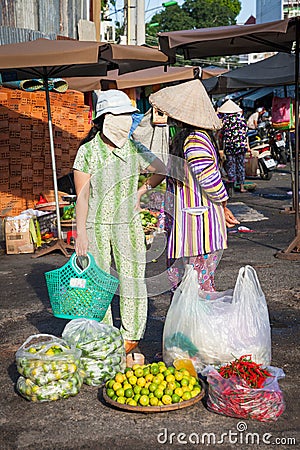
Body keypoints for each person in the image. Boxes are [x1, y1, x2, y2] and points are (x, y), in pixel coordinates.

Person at [73, 90, 166, 354]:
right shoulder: (87, 152)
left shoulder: (134, 147)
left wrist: (140, 192)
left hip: (127, 224)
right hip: (96, 225)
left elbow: (161, 169)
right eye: (121, 116)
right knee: (99, 279)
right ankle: (102, 334)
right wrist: (81, 233)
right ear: (105, 119)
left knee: (132, 279)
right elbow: (82, 197)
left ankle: (131, 335)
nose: (126, 121)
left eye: (129, 116)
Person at [149, 79, 239, 293]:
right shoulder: (197, 140)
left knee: (183, 286)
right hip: (199, 227)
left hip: (185, 224)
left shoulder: (186, 139)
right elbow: (210, 180)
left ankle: (184, 325)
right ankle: (195, 326)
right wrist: (224, 203)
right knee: (199, 286)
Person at [217, 99, 249, 193]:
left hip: (230, 146)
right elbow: (245, 132)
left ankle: (231, 186)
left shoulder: (225, 120)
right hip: (241, 146)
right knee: (240, 165)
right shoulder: (242, 119)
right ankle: (242, 186)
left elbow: (221, 133)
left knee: (231, 164)